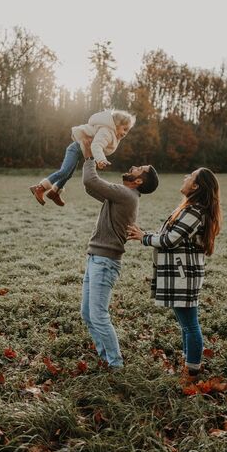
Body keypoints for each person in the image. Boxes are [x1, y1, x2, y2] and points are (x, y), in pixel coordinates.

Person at [127, 168, 221, 378]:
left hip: (183, 275)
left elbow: (170, 240)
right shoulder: (190, 209)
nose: (185, 177)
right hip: (181, 273)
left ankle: (192, 371)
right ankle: (189, 365)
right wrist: (145, 235)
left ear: (195, 186)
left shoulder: (195, 211)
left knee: (189, 325)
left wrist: (144, 237)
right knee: (186, 324)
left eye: (190, 177)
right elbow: (167, 235)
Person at [81, 142, 159, 368]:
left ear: (138, 181)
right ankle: (105, 357)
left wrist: (89, 158)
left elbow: (90, 180)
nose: (134, 166)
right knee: (87, 313)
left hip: (105, 262)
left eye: (139, 169)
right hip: (96, 257)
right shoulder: (121, 195)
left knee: (98, 315)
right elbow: (90, 187)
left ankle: (115, 365)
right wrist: (91, 157)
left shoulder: (126, 195)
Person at [29, 109, 136, 207]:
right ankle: (39, 188)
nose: (125, 133)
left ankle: (54, 192)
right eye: (124, 129)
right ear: (116, 124)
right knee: (64, 171)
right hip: (75, 149)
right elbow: (96, 145)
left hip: (80, 151)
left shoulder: (112, 133)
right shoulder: (107, 131)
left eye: (128, 130)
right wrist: (100, 159)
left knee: (68, 174)